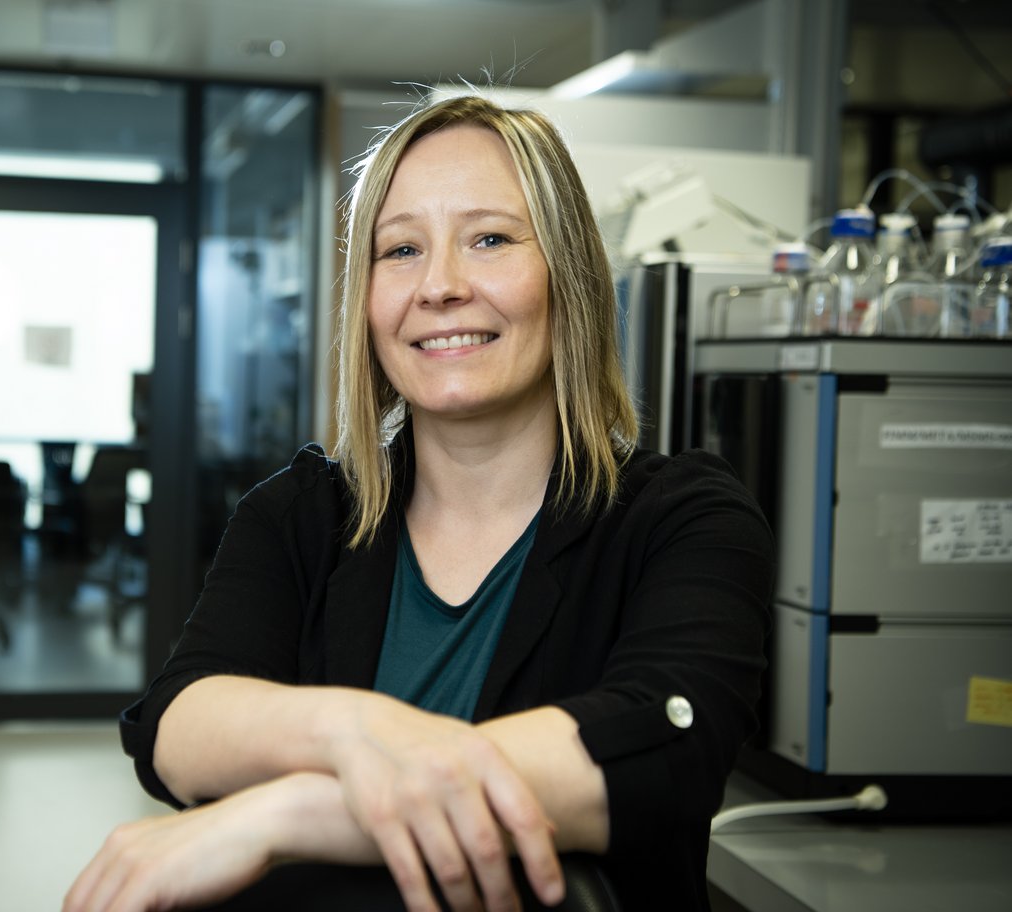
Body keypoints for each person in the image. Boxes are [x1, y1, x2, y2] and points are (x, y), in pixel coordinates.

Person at [64, 94, 774, 912]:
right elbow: (179, 726)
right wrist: (356, 734)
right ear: (365, 302)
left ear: (568, 275)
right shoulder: (301, 516)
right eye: (400, 249)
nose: (439, 286)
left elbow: (659, 753)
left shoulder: (682, 521)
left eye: (490, 239)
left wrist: (285, 811)